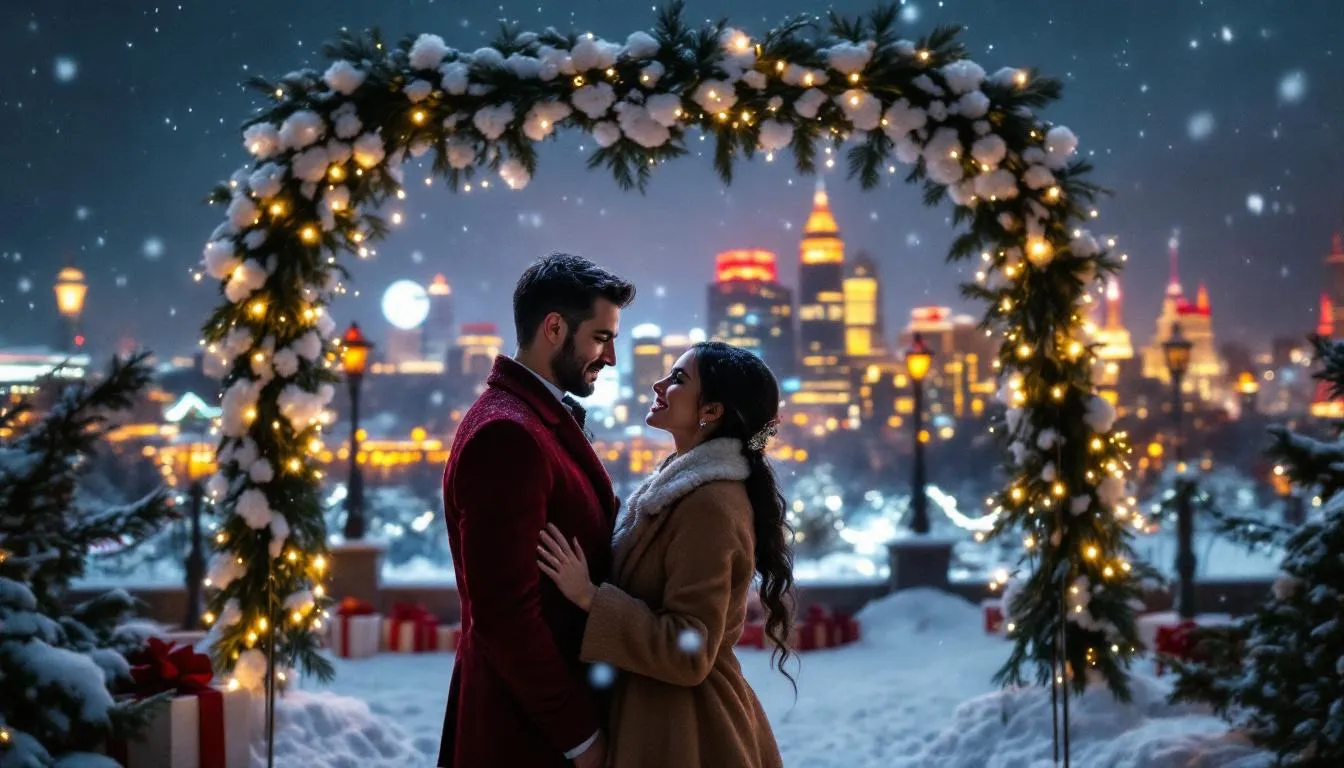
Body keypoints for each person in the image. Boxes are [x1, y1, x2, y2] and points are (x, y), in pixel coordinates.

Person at [537, 341, 794, 768]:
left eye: (678, 379)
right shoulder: (683, 487)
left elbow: (689, 652)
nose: (658, 384)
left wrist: (589, 597)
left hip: (688, 734)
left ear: (710, 411)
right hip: (665, 719)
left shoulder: (708, 506)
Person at [437, 253, 635, 768]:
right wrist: (581, 737)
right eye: (601, 337)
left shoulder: (525, 416)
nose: (610, 357)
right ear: (553, 328)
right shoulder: (510, 435)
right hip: (526, 735)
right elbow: (506, 617)